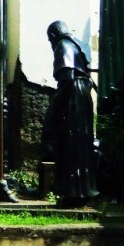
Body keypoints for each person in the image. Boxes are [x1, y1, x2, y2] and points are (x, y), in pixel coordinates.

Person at [41, 20, 98, 207]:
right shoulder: (76, 45)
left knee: (69, 145)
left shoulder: (62, 46)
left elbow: (66, 79)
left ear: (52, 36)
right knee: (81, 145)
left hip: (72, 98)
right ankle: (83, 192)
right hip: (83, 96)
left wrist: (54, 107)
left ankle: (72, 193)